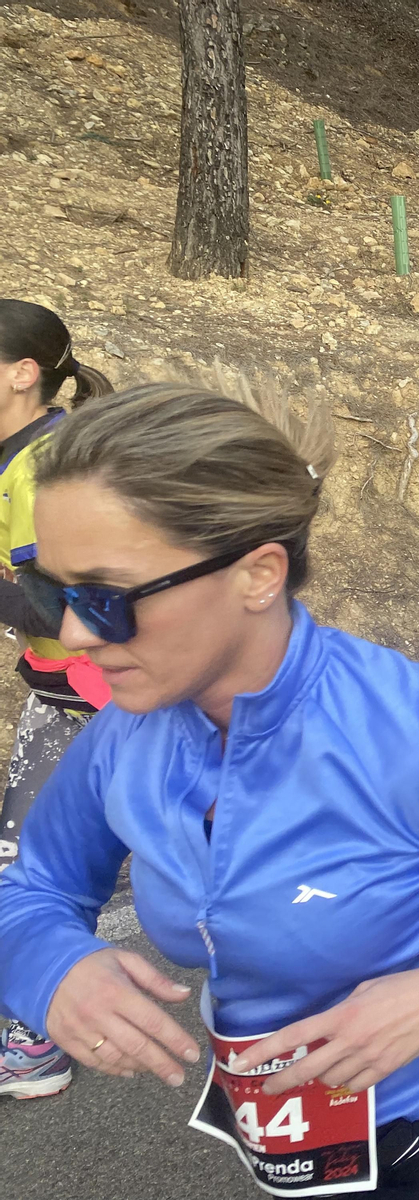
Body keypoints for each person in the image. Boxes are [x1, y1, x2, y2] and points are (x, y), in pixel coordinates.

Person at [0, 378, 419, 1196]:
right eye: (49, 593)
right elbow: (37, 884)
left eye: (107, 599)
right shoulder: (128, 727)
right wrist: (49, 964)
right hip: (279, 1138)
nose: (75, 636)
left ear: (258, 574)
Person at [0, 299, 113, 1100]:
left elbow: (70, 612)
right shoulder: (20, 452)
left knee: (33, 871)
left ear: (22, 373)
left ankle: (38, 1041)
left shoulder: (42, 466)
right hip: (65, 692)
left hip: (102, 697)